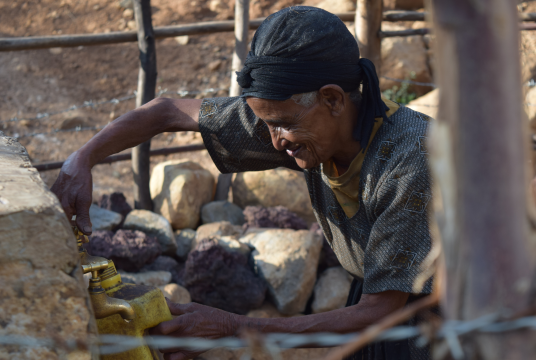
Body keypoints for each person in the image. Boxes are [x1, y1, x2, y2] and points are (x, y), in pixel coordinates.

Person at [51, 6, 436, 360]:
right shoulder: (302, 123)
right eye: (267, 124)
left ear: (333, 100)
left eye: (282, 124)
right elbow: (166, 111)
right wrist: (81, 160)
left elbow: (380, 311)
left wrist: (235, 327)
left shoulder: (412, 160)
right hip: (376, 300)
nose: (275, 141)